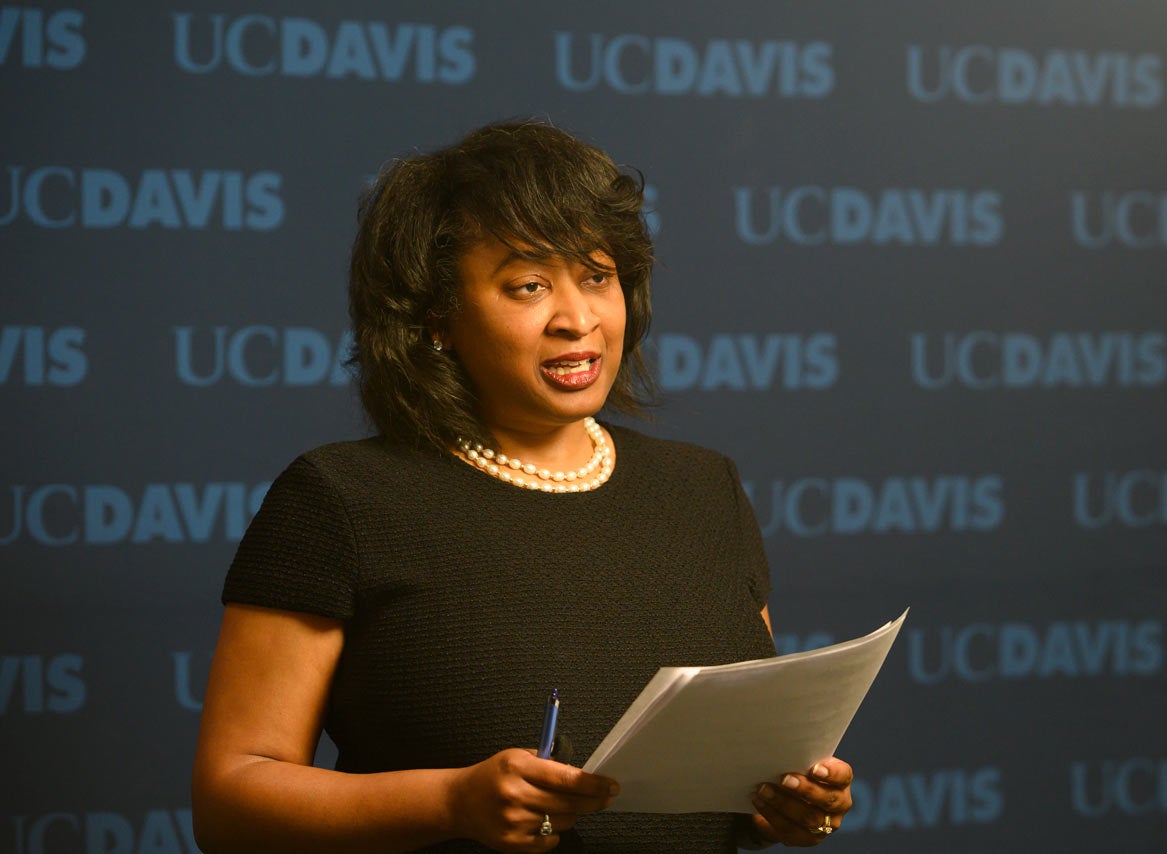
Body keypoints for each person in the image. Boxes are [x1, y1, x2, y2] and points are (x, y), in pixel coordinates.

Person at [191, 120, 854, 853]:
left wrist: (789, 804)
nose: (578, 320)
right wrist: (446, 801)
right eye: (529, 286)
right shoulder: (340, 499)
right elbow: (230, 803)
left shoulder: (705, 487)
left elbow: (731, 790)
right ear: (438, 315)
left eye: (597, 277)